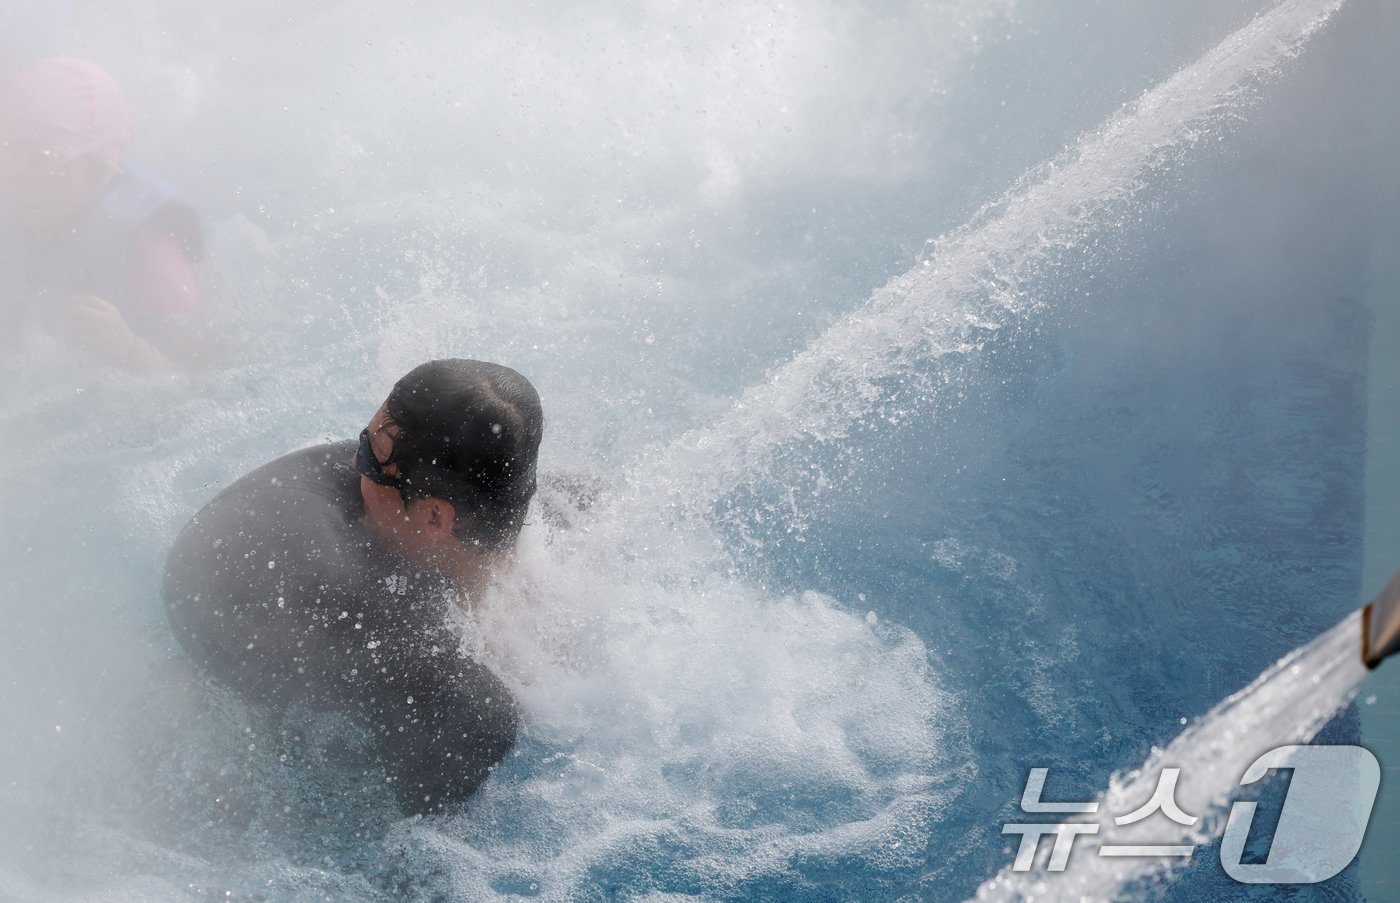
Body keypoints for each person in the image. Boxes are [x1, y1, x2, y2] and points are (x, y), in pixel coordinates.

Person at [163, 359, 542, 816]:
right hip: (224, 619)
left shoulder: (552, 532)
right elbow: (471, 716)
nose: (351, 463)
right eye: (365, 443)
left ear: (435, 516)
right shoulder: (326, 585)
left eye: (369, 459)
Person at [0, 57, 208, 371]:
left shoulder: (151, 252)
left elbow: (209, 373)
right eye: (4, 157)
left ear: (98, 164)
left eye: (41, 160)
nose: (16, 182)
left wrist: (129, 350)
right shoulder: (27, 203)